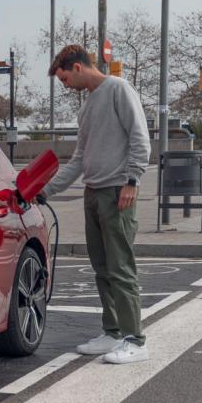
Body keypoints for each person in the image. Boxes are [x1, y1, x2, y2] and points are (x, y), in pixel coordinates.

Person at [43, 44, 151, 364]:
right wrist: (46, 191)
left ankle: (136, 340)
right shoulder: (87, 106)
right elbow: (79, 160)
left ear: (77, 68)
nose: (65, 86)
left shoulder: (118, 88)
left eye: (64, 79)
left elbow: (139, 137)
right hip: (93, 193)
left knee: (121, 269)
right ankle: (113, 332)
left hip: (118, 191)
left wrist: (132, 180)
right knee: (102, 269)